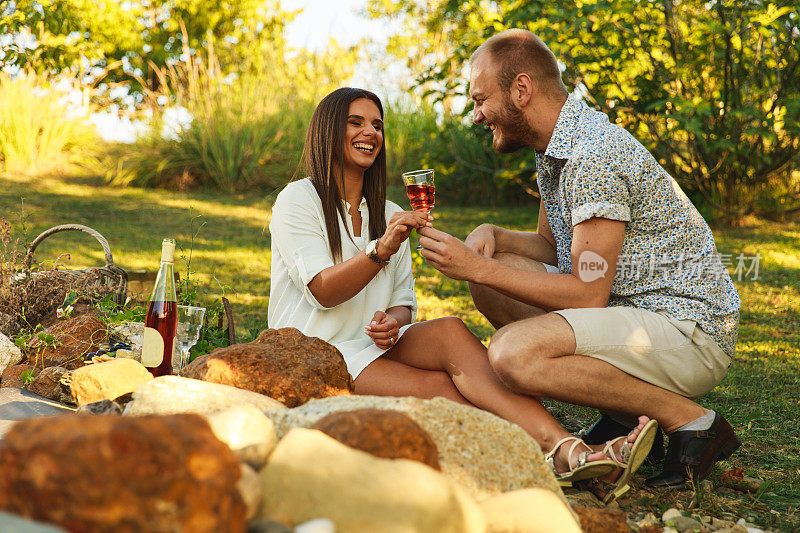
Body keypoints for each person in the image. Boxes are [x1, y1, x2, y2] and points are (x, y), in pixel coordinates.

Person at [268, 87, 657, 499]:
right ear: (328, 130)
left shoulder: (388, 211)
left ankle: (567, 450)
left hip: (370, 345)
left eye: (377, 124)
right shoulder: (298, 200)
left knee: (450, 331)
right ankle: (566, 456)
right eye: (356, 122)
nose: (371, 132)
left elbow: (403, 305)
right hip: (320, 351)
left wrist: (393, 323)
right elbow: (324, 291)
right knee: (441, 390)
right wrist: (381, 248)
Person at [417, 30, 741, 489]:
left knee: (513, 354)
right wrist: (492, 235)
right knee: (492, 280)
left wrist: (476, 266)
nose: (476, 115)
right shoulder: (557, 149)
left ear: (521, 90)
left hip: (688, 330)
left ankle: (694, 424)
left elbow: (588, 291)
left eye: (481, 99)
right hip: (632, 312)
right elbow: (556, 249)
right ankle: (622, 413)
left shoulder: (592, 156)